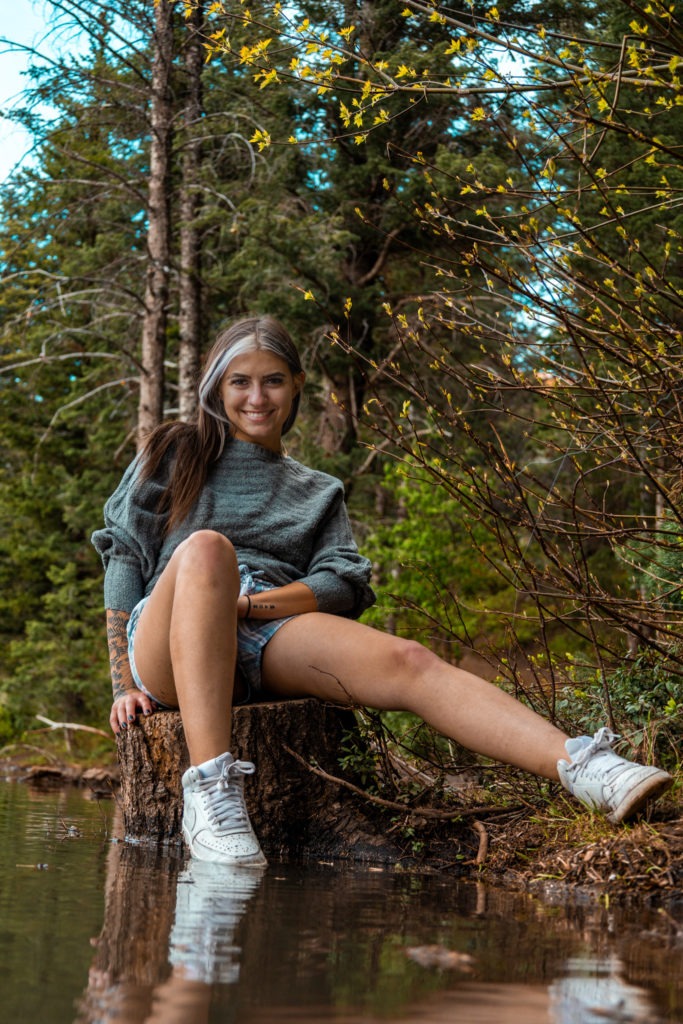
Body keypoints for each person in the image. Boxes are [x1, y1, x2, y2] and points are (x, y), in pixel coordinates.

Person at [92, 316, 673, 867]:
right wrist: (121, 681)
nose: (257, 397)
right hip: (168, 636)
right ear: (216, 388)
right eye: (240, 381)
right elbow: (123, 557)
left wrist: (246, 606)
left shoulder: (317, 491)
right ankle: (212, 798)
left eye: (273, 381)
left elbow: (342, 583)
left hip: (264, 629)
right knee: (206, 550)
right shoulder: (174, 453)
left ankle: (586, 767)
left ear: (296, 386)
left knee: (410, 659)